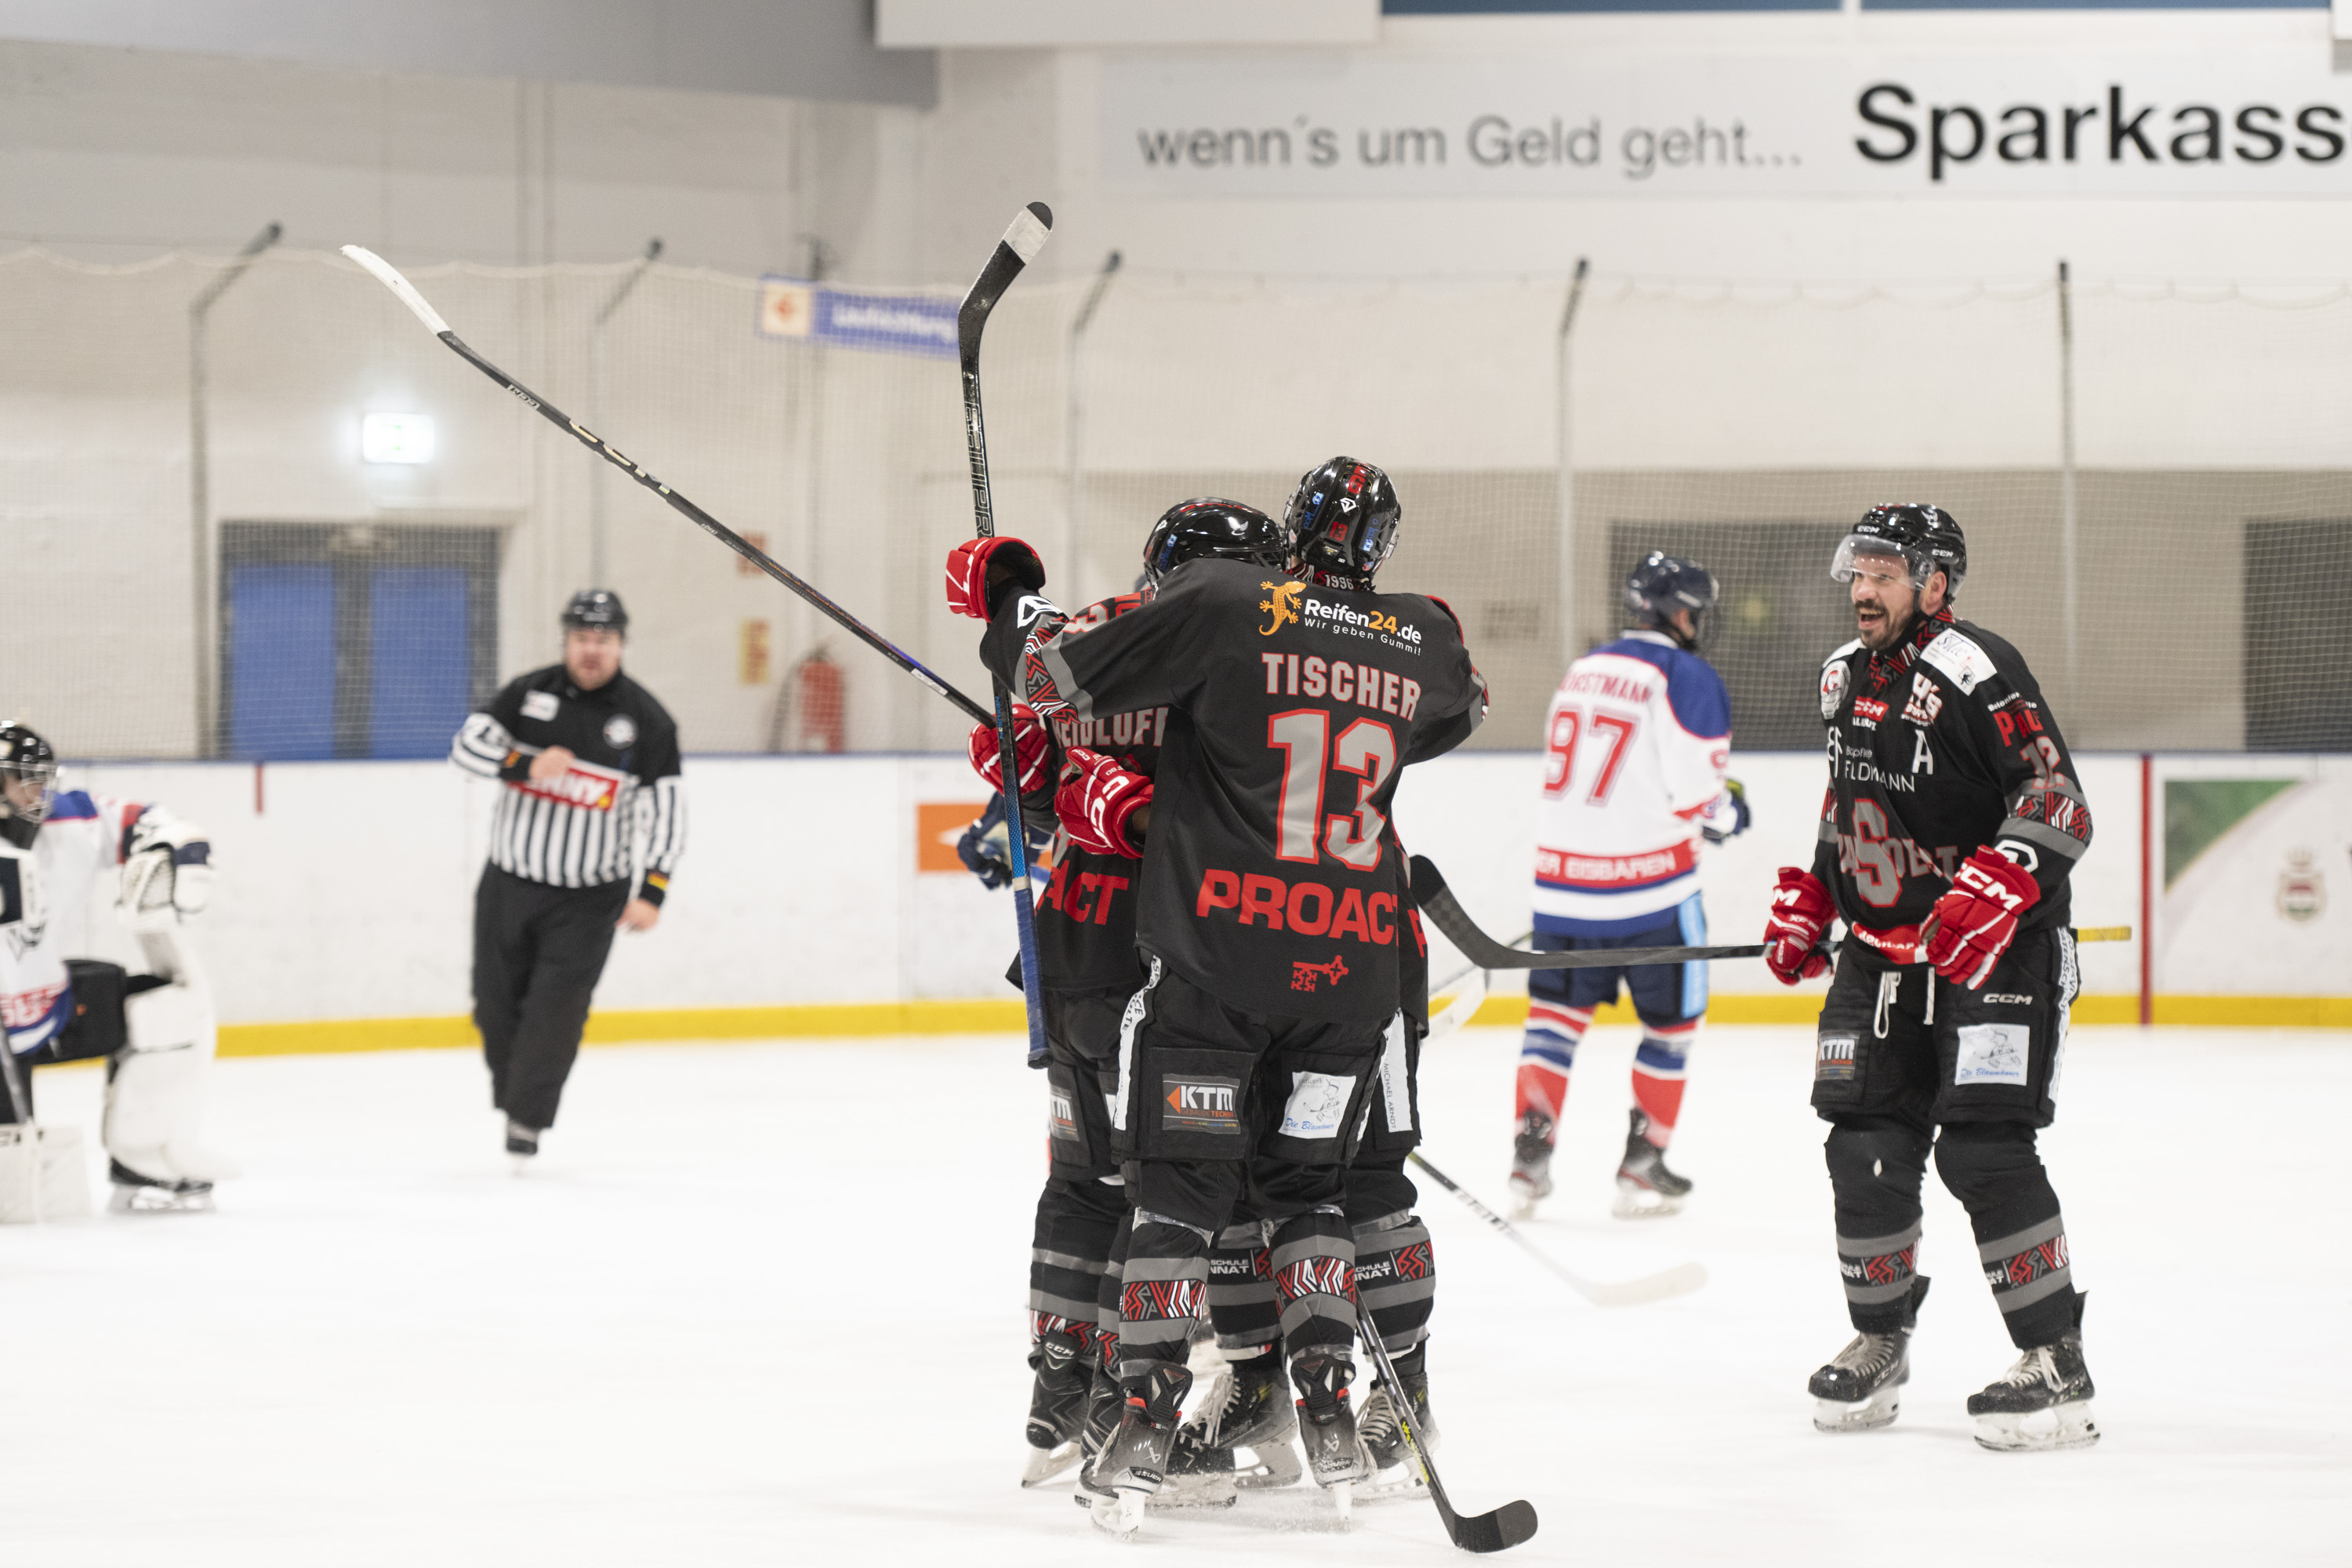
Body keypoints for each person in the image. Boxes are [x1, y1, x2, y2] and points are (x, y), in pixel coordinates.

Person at [949, 456, 1487, 1537]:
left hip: (1222, 950)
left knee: (1189, 1187)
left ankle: (1170, 1408)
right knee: (1313, 1187)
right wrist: (1048, 785)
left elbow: (1047, 683)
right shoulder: (1416, 627)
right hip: (1352, 955)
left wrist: (1011, 614)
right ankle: (1308, 1401)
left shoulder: (1227, 611)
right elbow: (1453, 709)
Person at [960, 498, 1290, 1493]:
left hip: (1077, 949)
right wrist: (1044, 766)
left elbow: (1021, 761)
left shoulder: (1092, 632)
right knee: (1196, 1181)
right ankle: (1138, 1393)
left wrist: (1010, 630)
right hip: (1172, 956)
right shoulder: (1251, 657)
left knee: (1085, 1173)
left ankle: (1065, 1388)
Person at [1761, 504, 2097, 1452]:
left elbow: (2058, 802)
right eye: (1856, 570)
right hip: (1883, 954)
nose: (1863, 589)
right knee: (1861, 1144)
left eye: (1885, 572)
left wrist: (1996, 884)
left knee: (1983, 1150)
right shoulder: (1841, 676)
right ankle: (1880, 1339)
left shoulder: (1978, 668)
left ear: (1936, 583)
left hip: (1997, 951)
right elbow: (1849, 802)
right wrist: (1818, 896)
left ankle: (2056, 1358)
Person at [1507, 551, 1749, 1221]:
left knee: (1553, 1022)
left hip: (1560, 888)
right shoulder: (1686, 674)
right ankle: (1642, 1168)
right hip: (1651, 896)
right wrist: (1733, 811)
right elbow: (1702, 797)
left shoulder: (1585, 667)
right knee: (1672, 1027)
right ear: (1681, 612)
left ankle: (1529, 1162)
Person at [449, 590, 684, 1166]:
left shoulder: (648, 722)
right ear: (566, 641)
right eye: (582, 638)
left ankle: (526, 1119)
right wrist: (523, 764)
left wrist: (653, 891)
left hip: (589, 900)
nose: (592, 650)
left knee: (554, 1013)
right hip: (508, 883)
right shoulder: (530, 694)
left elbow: (667, 814)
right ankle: (517, 1097)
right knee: (494, 1005)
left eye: (603, 639)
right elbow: (465, 749)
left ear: (621, 645)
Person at [0, 720, 235, 1213]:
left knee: (167, 1009)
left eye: (41, 779)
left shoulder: (72, 819)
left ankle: (145, 1161)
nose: (37, 794)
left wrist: (176, 849)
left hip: (52, 1014)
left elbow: (150, 822)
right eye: (22, 780)